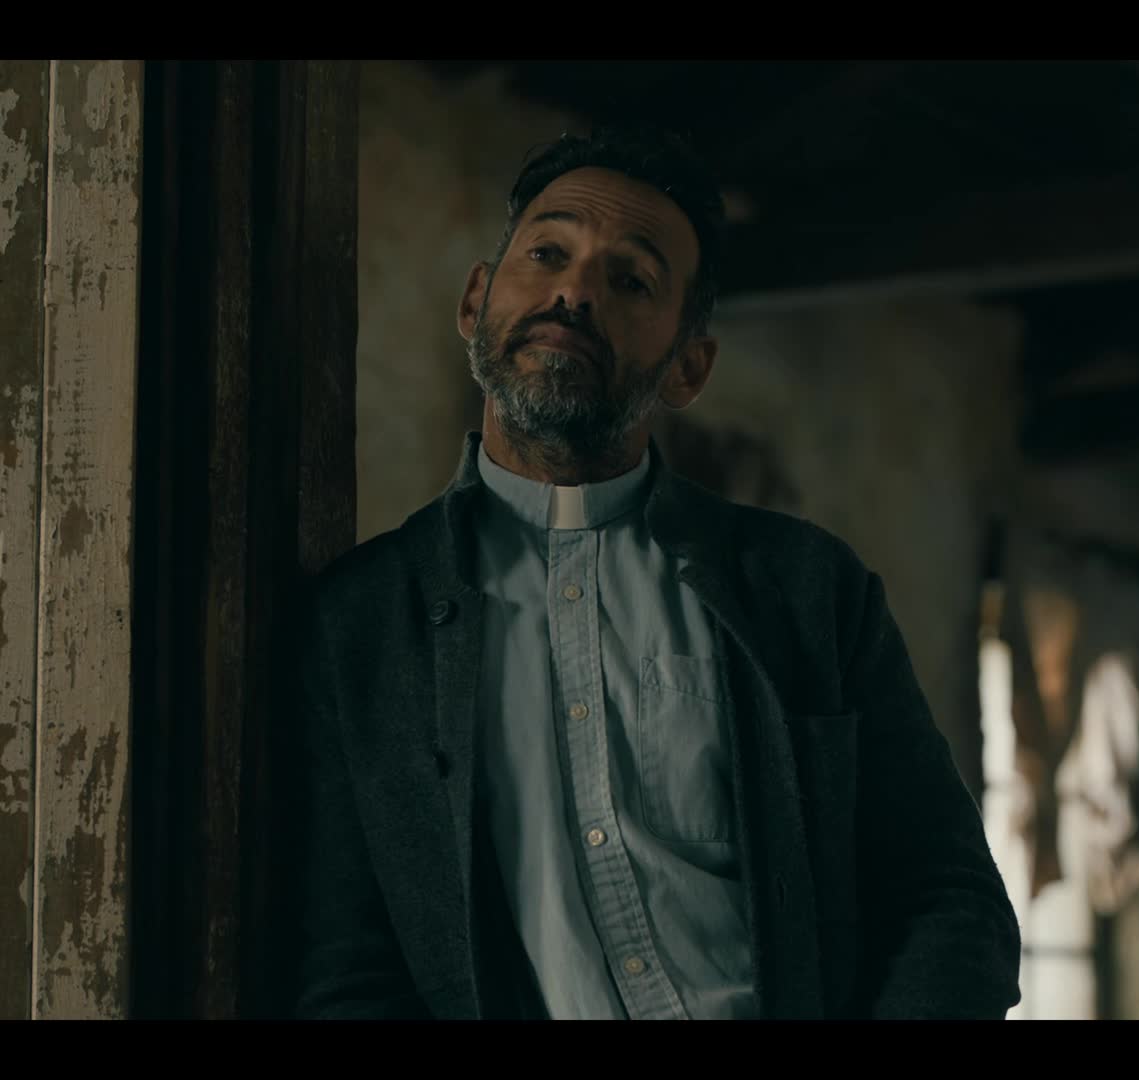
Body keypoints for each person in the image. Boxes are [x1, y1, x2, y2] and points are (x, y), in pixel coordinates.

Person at [289, 125, 1021, 1020]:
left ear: (689, 367)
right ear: (477, 300)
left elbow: (948, 895)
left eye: (631, 279)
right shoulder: (364, 623)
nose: (574, 292)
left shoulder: (805, 588)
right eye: (547, 253)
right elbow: (346, 971)